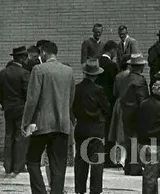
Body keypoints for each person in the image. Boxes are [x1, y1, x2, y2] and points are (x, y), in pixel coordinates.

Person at [22, 41, 75, 194]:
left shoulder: (38, 70)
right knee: (58, 165)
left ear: (44, 52)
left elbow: (32, 100)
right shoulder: (68, 71)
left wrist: (26, 122)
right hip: (62, 124)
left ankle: (39, 191)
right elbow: (70, 99)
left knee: (32, 160)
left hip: (42, 124)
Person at [72, 58, 110, 194]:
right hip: (96, 127)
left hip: (81, 126)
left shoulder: (76, 88)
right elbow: (107, 108)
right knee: (96, 161)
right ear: (95, 75)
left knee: (80, 160)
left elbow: (72, 108)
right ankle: (95, 190)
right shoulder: (98, 90)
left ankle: (79, 189)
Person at [0, 46, 30, 175]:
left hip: (8, 108)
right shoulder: (24, 73)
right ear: (22, 58)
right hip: (20, 108)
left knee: (8, 136)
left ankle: (8, 166)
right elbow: (28, 93)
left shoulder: (3, 73)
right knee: (20, 138)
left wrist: (3, 104)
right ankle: (18, 166)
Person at [121, 53, 149, 176]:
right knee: (136, 140)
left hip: (126, 112)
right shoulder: (140, 80)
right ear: (140, 67)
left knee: (129, 140)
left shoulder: (124, 78)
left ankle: (128, 166)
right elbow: (143, 99)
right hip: (136, 113)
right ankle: (135, 167)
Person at [95, 40, 119, 168]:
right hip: (109, 101)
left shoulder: (97, 62)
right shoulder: (112, 65)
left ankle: (98, 156)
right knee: (109, 129)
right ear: (113, 50)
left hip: (96, 101)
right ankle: (109, 159)